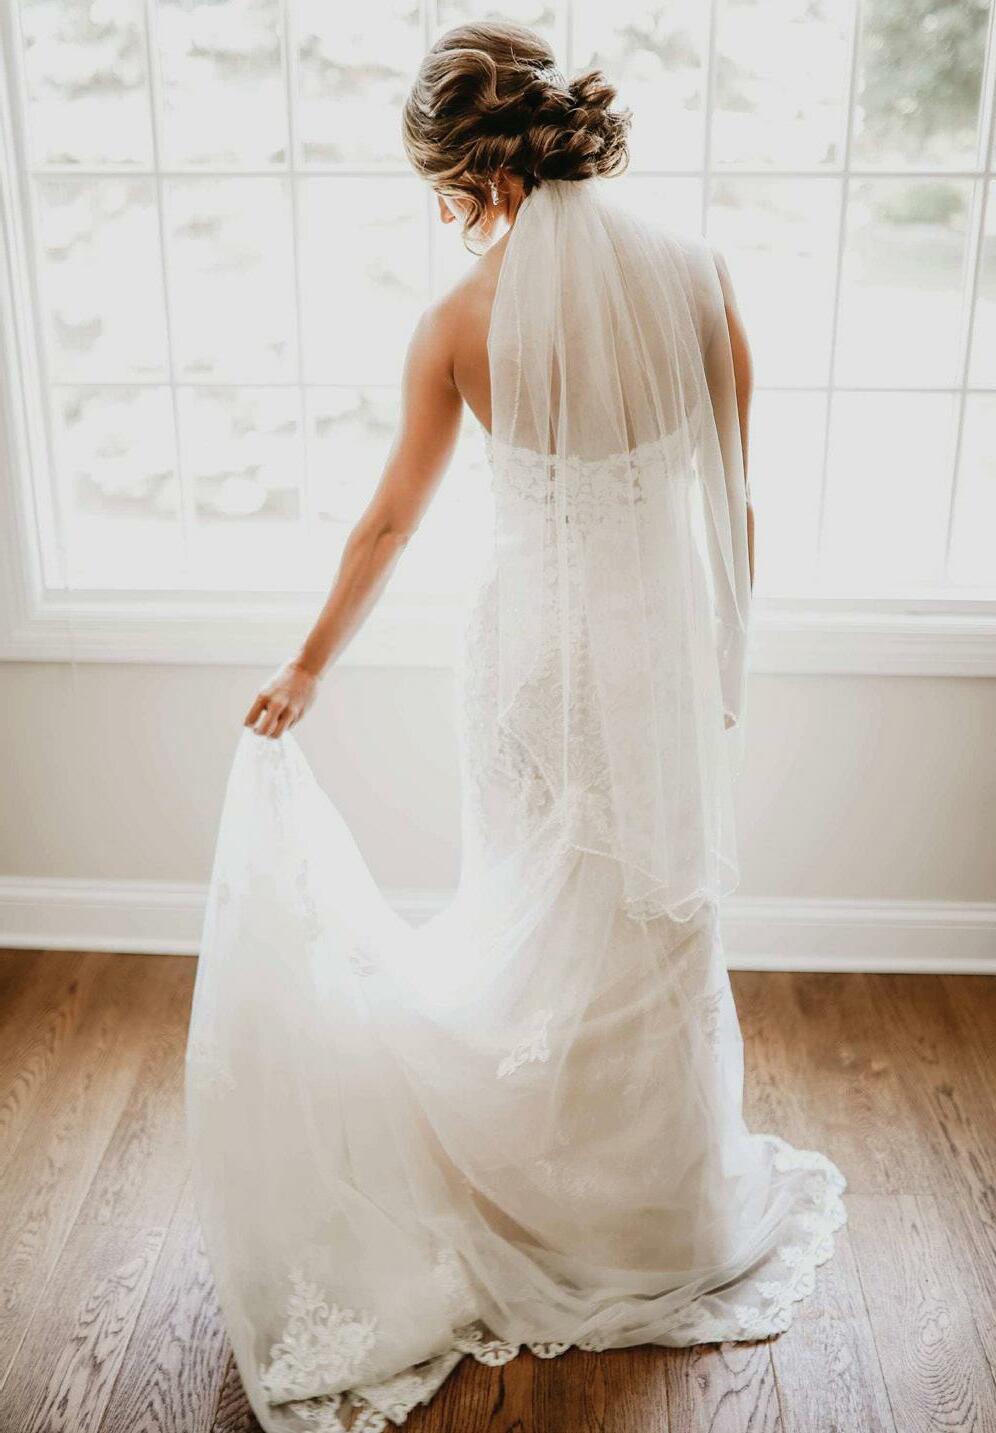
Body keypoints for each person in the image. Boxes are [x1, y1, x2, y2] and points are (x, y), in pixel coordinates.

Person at [185, 20, 846, 1433]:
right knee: (649, 918)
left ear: (464, 176)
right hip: (657, 650)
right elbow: (732, 500)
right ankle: (655, 1215)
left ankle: (528, 1190)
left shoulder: (458, 324)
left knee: (535, 911)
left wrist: (307, 665)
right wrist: (716, 668)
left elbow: (390, 520)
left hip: (532, 661)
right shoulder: (700, 274)